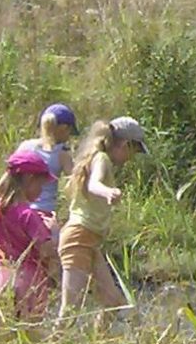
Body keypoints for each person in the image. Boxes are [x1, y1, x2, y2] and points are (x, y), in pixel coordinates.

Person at [57, 116, 147, 314]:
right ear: (124, 144)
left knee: (114, 303)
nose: (131, 158)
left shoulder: (94, 157)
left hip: (90, 241)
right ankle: (50, 343)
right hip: (79, 238)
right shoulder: (102, 158)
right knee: (69, 310)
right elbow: (94, 184)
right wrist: (108, 192)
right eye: (134, 151)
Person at [0, 141, 58, 321]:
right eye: (40, 185)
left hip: (3, 277)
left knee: (4, 330)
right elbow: (46, 250)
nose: (41, 192)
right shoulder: (28, 215)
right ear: (30, 180)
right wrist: (55, 231)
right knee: (30, 331)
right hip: (30, 280)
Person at [30, 104, 78, 218]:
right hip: (45, 213)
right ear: (64, 129)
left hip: (21, 210)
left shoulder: (26, 146)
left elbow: (9, 176)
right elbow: (76, 181)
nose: (68, 137)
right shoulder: (62, 155)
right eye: (69, 132)